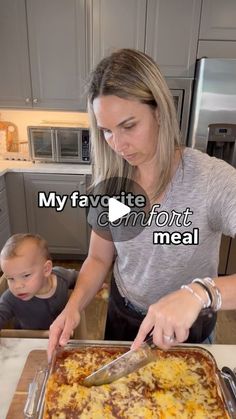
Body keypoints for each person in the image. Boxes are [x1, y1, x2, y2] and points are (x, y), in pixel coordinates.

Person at [48, 48, 236, 360]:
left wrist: (200, 293)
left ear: (159, 111)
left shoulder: (210, 180)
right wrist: (73, 306)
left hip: (189, 330)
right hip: (123, 318)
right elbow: (98, 258)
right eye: (106, 130)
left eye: (129, 125)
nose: (117, 144)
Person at [0, 233, 78, 330]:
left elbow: (79, 278)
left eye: (26, 275)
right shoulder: (10, 298)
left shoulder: (62, 277)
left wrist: (97, 285)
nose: (17, 286)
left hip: (62, 339)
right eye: (10, 278)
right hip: (29, 342)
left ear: (46, 269)